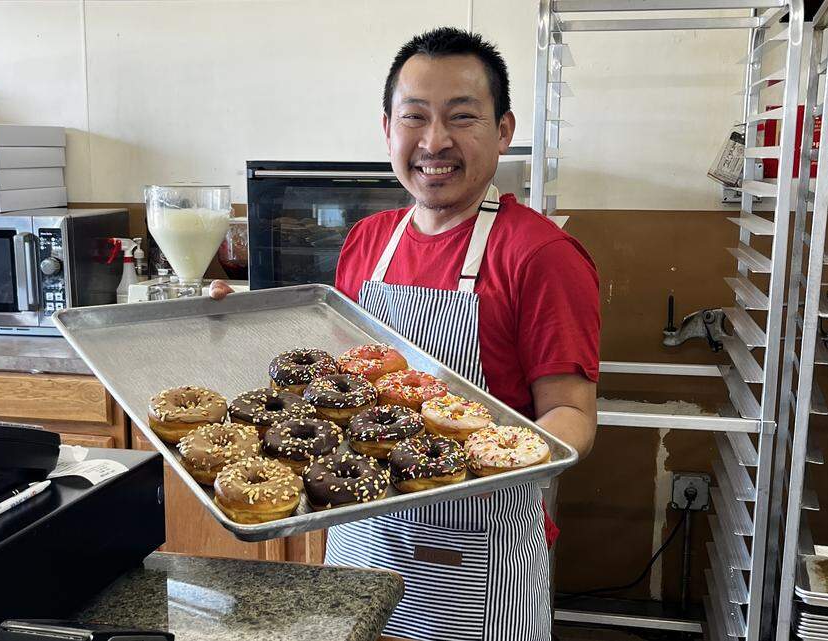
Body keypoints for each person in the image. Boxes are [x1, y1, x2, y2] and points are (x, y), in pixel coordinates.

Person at [211, 27, 599, 641]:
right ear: (387, 130)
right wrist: (241, 330)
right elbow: (337, 388)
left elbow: (572, 412)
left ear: (503, 131)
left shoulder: (541, 254)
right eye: (413, 117)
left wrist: (500, 462)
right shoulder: (369, 239)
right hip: (357, 535)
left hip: (478, 555)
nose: (434, 142)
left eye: (462, 117)